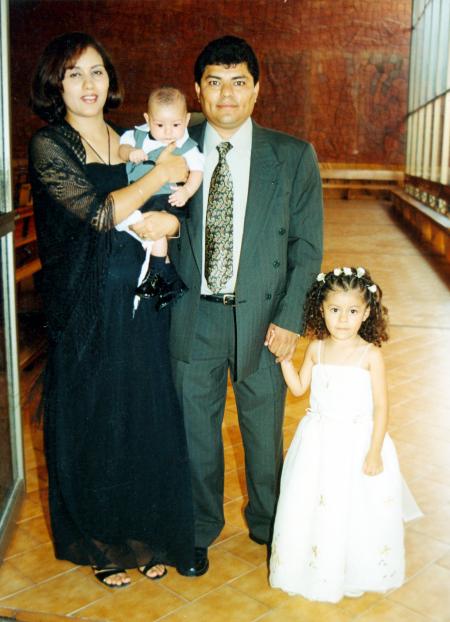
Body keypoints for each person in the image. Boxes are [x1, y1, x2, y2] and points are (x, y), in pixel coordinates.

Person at [133, 35, 323, 574]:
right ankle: (197, 530)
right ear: (196, 90)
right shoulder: (168, 146)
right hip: (192, 316)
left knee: (264, 435)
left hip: (264, 320)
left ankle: (270, 525)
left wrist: (291, 318)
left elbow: (306, 247)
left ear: (257, 90)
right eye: (214, 83)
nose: (227, 95)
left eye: (239, 82)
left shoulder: (291, 156)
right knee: (194, 432)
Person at [28, 32, 198, 588]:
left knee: (144, 413)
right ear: (56, 84)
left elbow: (175, 208)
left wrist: (172, 219)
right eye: (74, 73)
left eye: (96, 71)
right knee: (95, 419)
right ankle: (100, 540)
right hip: (84, 306)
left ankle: (146, 534)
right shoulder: (50, 145)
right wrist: (159, 173)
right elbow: (100, 214)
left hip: (143, 301)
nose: (88, 84)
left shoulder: (133, 138)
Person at [269, 267, 422, 602]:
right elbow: (298, 389)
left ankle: (353, 566)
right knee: (318, 504)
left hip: (356, 443)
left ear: (366, 313)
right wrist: (284, 359)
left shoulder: (371, 356)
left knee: (354, 507)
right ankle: (317, 567)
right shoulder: (317, 350)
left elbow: (382, 407)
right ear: (320, 309)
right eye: (334, 310)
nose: (342, 319)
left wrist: (374, 451)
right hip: (318, 442)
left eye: (352, 311)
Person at [118, 87, 204, 307]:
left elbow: (197, 172)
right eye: (159, 125)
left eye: (175, 125)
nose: (168, 132)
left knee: (155, 231)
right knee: (137, 229)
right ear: (147, 119)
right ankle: (170, 280)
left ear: (185, 120)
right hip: (137, 195)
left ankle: (156, 272)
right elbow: (122, 149)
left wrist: (186, 191)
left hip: (166, 197)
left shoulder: (186, 146)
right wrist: (130, 153)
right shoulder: (135, 136)